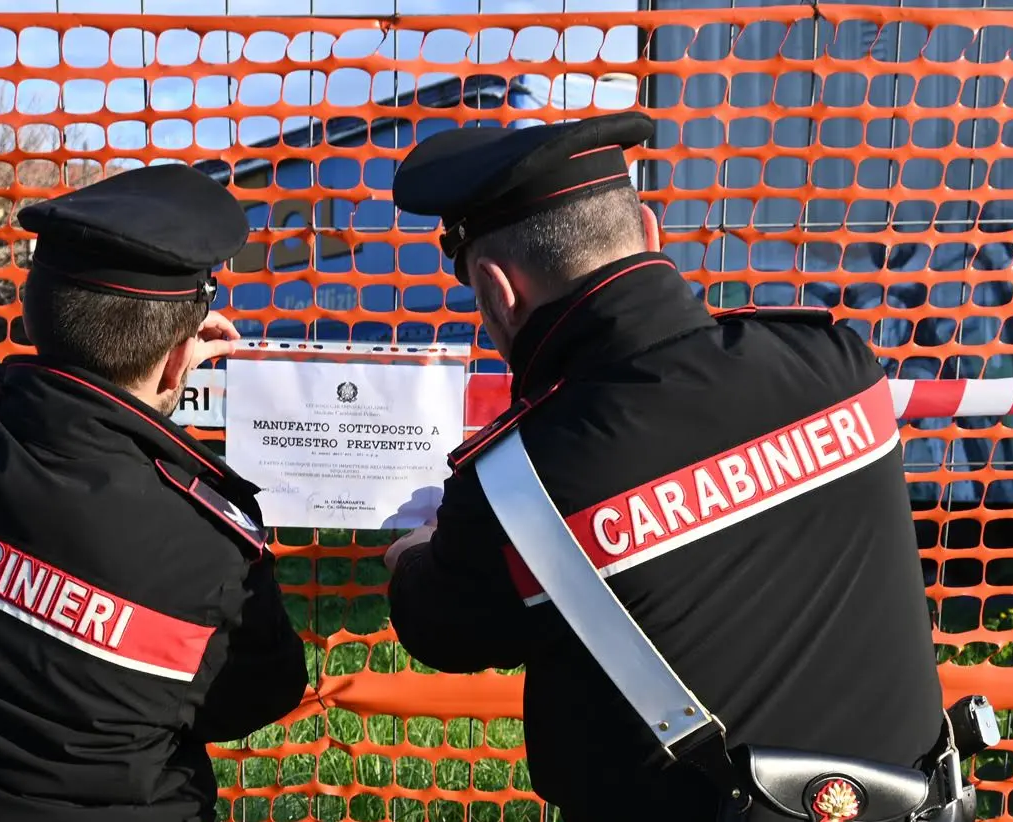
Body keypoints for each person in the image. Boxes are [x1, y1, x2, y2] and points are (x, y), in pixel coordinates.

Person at [382, 112, 946, 820]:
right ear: (650, 233)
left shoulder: (516, 485)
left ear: (497, 288)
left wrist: (410, 553)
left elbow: (445, 631)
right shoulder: (839, 366)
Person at [0, 163, 308, 822]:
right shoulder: (207, 547)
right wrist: (160, 401)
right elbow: (256, 697)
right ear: (174, 358)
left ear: (36, 308)